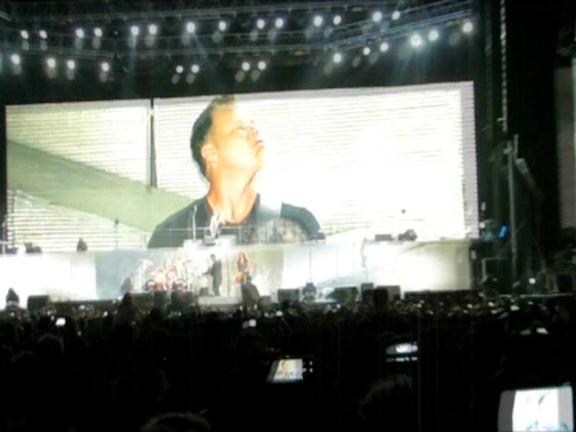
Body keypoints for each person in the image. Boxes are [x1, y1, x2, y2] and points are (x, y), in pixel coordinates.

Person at [148, 95, 324, 248]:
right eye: (241, 130)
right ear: (210, 153)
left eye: (253, 128)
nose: (255, 133)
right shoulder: (169, 237)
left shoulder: (299, 226)